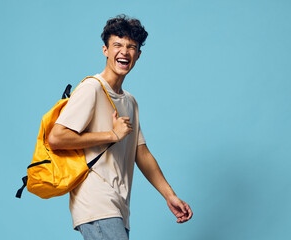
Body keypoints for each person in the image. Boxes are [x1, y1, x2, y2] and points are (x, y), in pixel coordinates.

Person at [47, 14, 192, 240]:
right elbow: (56, 138)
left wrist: (169, 195)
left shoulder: (130, 101)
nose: (124, 51)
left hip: (119, 205)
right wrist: (111, 134)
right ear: (105, 50)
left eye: (131, 47)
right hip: (96, 202)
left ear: (138, 55)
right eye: (117, 45)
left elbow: (141, 153)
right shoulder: (92, 88)